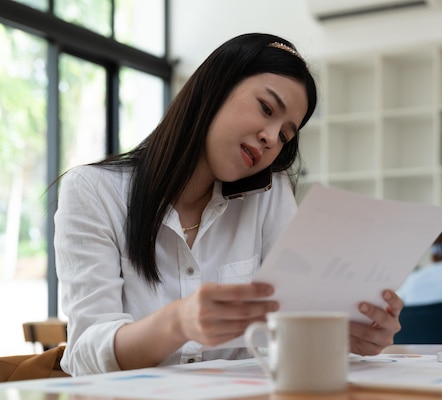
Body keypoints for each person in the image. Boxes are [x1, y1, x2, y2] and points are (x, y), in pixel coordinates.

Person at [54, 33, 402, 376]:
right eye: (266, 108)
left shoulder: (269, 195)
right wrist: (178, 322)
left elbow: (290, 323)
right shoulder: (93, 191)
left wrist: (347, 334)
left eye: (284, 135)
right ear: (216, 86)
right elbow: (85, 353)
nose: (270, 138)